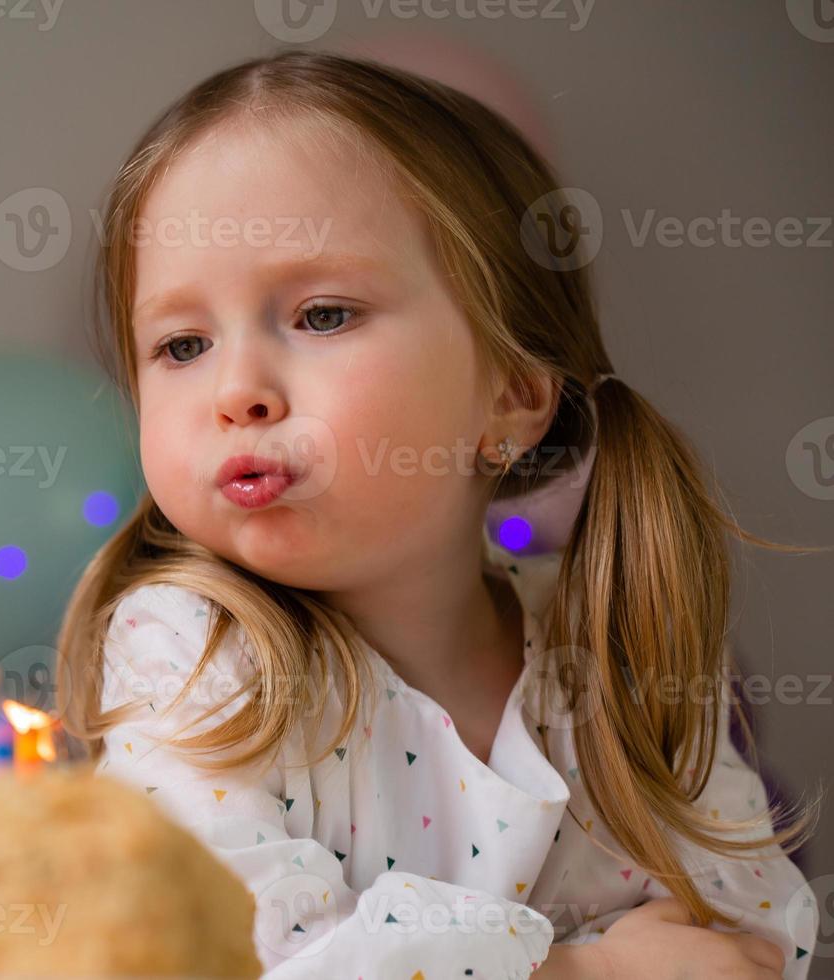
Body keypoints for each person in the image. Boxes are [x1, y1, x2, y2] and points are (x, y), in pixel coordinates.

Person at [56, 50, 821, 979]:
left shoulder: (615, 657)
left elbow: (749, 935)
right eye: (182, 344)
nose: (237, 391)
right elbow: (240, 953)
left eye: (323, 316)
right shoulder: (189, 662)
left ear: (510, 393)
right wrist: (590, 969)